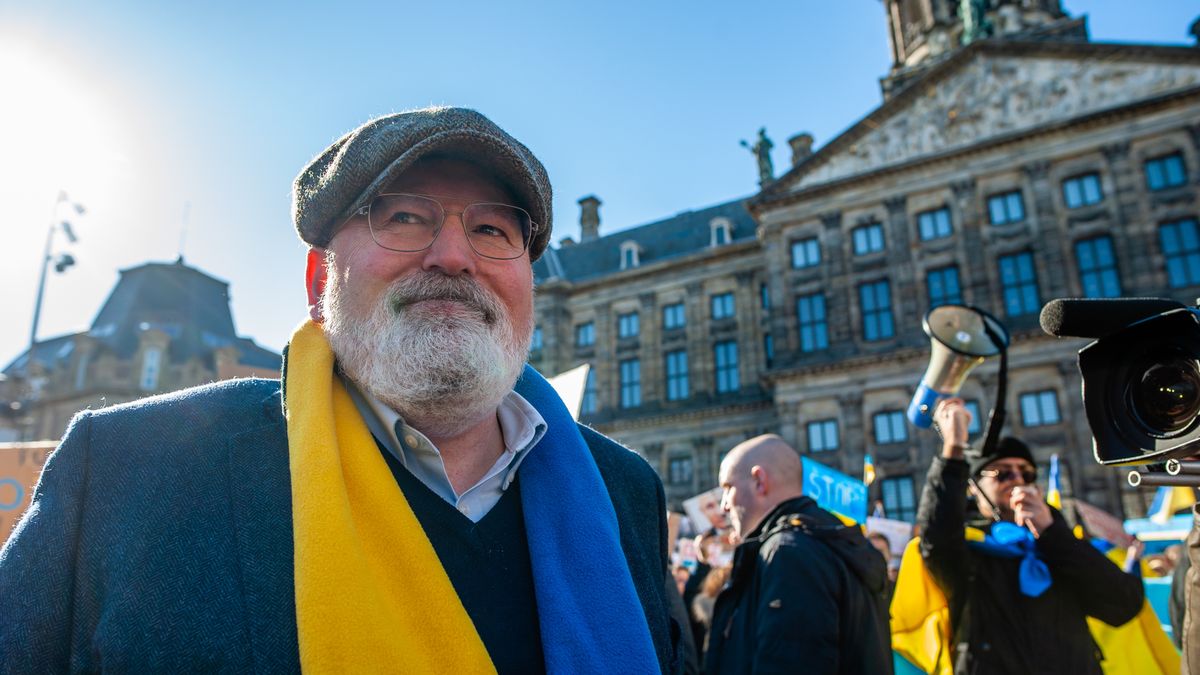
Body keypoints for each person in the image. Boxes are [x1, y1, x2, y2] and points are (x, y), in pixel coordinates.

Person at [0, 107, 679, 673]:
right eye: (405, 217)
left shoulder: (628, 493)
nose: (452, 254)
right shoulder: (126, 468)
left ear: (529, 285)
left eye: (492, 229)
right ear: (318, 281)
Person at [917, 398, 1144, 674]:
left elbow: (1122, 605)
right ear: (974, 489)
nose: (1016, 479)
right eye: (1001, 473)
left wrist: (1051, 532)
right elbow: (937, 539)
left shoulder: (1060, 543)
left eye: (1025, 473)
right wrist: (952, 451)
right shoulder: (971, 549)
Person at [704, 434, 892, 674]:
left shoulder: (788, 553)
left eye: (728, 488)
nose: (724, 507)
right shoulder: (829, 541)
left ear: (759, 481)